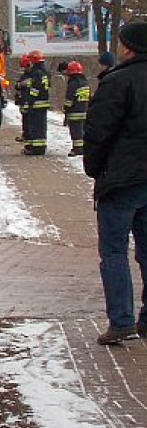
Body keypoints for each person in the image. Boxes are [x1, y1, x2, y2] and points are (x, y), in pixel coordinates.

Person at [83, 21, 147, 345]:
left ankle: (121, 321)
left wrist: (94, 169)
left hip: (121, 181)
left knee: (114, 252)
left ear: (128, 46)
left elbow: (97, 132)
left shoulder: (117, 81)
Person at [23, 50, 50, 155]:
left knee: (36, 127)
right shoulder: (44, 72)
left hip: (37, 104)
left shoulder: (36, 73)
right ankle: (40, 148)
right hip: (43, 103)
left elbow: (34, 90)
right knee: (41, 127)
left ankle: (37, 150)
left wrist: (29, 102)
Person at [62, 61, 90, 157]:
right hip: (85, 111)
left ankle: (77, 149)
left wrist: (66, 108)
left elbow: (69, 100)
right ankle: (83, 148)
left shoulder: (73, 83)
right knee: (82, 131)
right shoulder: (85, 83)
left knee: (75, 132)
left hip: (74, 113)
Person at [14, 54, 32, 144]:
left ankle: (28, 136)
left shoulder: (34, 75)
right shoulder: (24, 75)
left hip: (29, 101)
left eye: (25, 67)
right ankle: (25, 135)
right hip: (24, 101)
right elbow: (17, 86)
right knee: (25, 119)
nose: (24, 69)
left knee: (29, 120)